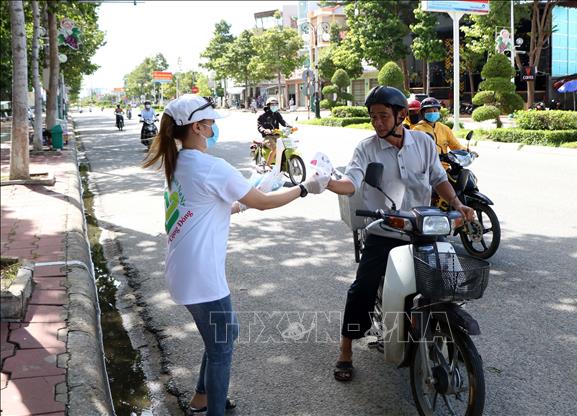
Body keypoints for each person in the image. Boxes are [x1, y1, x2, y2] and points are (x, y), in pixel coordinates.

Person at [142, 94, 330, 415]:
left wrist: (245, 199)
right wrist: (304, 188)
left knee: (225, 334)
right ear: (199, 127)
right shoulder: (211, 166)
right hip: (201, 277)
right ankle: (212, 409)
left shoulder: (179, 164)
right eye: (211, 122)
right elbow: (263, 202)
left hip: (183, 272)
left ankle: (202, 396)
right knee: (221, 346)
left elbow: (206, 207)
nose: (215, 128)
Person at [325, 86, 475, 382]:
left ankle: (440, 332)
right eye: (373, 117)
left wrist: (458, 204)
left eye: (383, 116)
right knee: (363, 290)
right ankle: (345, 350)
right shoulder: (366, 148)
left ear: (402, 115)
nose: (377, 123)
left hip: (423, 228)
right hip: (384, 230)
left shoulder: (423, 142)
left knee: (448, 285)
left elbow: (438, 178)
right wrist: (326, 182)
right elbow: (351, 182)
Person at [257, 96, 291, 170]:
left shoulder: (277, 114)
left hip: (277, 135)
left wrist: (288, 125)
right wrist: (264, 130)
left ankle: (282, 163)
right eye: (272, 104)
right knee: (275, 148)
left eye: (276, 104)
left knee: (286, 146)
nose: (274, 106)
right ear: (268, 105)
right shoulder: (262, 116)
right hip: (267, 137)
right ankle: (267, 165)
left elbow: (282, 121)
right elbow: (259, 126)